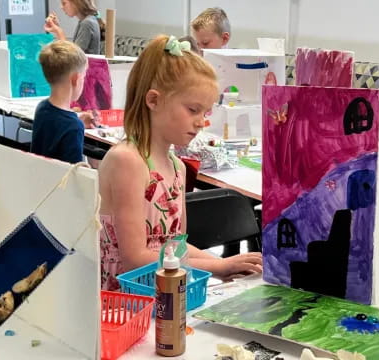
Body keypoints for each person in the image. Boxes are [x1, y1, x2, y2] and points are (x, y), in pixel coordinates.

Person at [98, 35, 262, 291]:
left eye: (205, 113)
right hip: (123, 301)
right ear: (153, 100)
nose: (201, 122)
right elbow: (135, 260)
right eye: (193, 110)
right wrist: (217, 267)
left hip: (163, 293)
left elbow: (174, 246)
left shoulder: (177, 167)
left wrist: (229, 263)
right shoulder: (127, 161)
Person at [31, 40, 87, 164]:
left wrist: (77, 119)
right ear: (75, 79)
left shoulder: (42, 108)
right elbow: (73, 173)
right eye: (84, 77)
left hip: (39, 178)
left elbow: (59, 121)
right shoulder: (74, 126)